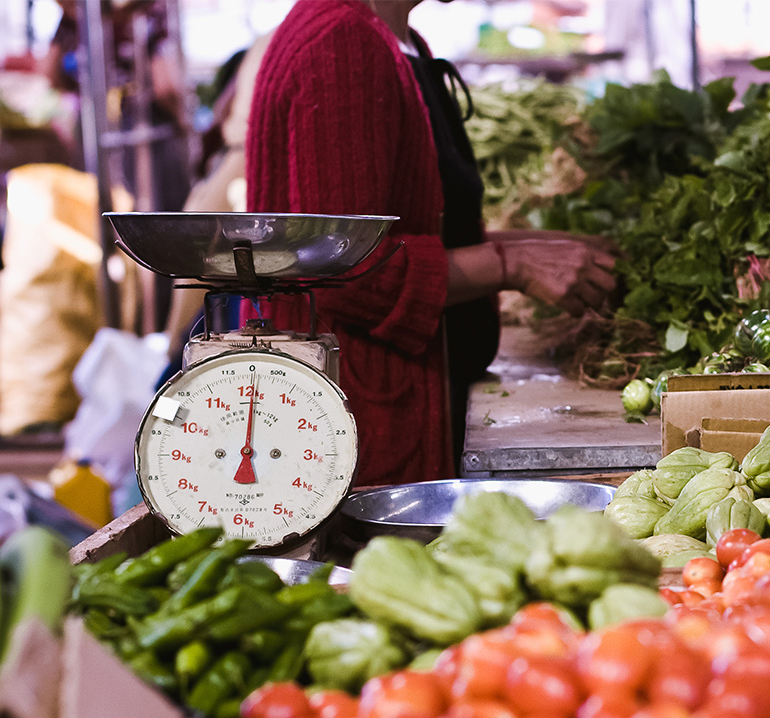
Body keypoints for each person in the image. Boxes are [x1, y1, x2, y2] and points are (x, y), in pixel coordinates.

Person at [246, 0, 618, 487]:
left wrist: (546, 245)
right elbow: (344, 269)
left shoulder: (398, 39)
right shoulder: (341, 42)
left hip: (413, 402)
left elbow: (421, 231)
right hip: (364, 431)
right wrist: (513, 264)